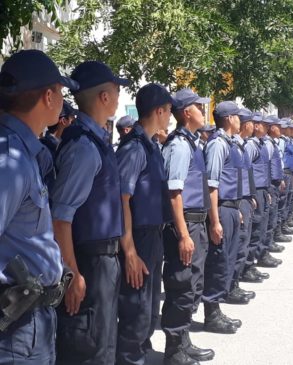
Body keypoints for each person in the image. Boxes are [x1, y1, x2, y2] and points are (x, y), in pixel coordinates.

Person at [0, 49, 78, 364]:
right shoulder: (10, 160)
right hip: (18, 326)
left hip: (33, 320)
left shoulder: (24, 152)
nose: (61, 100)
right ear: (48, 96)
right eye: (60, 92)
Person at [51, 60, 128, 365]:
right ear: (104, 97)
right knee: (89, 345)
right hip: (88, 261)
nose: (119, 98)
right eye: (116, 91)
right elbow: (61, 216)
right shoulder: (84, 146)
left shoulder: (95, 139)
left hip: (101, 259)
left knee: (103, 340)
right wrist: (72, 274)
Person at [115, 83, 173, 365]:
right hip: (137, 239)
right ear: (159, 111)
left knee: (148, 315)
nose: (170, 117)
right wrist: (129, 251)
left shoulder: (150, 145)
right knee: (135, 316)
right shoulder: (134, 148)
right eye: (169, 111)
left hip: (153, 237)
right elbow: (121, 199)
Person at [161, 88, 214, 365]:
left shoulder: (192, 143)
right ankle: (173, 350)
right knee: (180, 285)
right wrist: (183, 234)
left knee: (191, 285)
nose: (202, 111)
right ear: (185, 113)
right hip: (186, 227)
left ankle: (184, 340)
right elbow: (174, 193)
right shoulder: (179, 145)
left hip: (196, 224)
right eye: (197, 107)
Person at [202, 101, 245, 334]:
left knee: (226, 259)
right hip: (219, 208)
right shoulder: (218, 145)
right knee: (217, 261)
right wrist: (215, 220)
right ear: (229, 118)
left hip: (229, 207)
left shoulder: (228, 143)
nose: (241, 121)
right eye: (238, 116)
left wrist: (236, 208)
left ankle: (217, 308)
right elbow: (211, 185)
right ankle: (211, 313)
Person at [228, 107, 258, 300]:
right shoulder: (235, 146)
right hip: (236, 200)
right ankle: (231, 286)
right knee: (237, 245)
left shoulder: (241, 145)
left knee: (243, 241)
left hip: (244, 198)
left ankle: (235, 282)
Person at [246, 112, 282, 269]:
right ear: (255, 125)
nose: (267, 128)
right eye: (264, 124)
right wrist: (251, 194)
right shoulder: (250, 145)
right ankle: (248, 265)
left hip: (263, 189)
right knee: (254, 229)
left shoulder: (261, 144)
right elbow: (246, 171)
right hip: (255, 191)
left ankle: (259, 255)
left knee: (262, 226)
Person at [263, 115, 286, 254]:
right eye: (279, 126)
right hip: (269, 185)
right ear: (272, 128)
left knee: (272, 216)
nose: (281, 129)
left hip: (274, 183)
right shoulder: (267, 144)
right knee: (268, 219)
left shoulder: (272, 142)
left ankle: (269, 243)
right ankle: (265, 250)